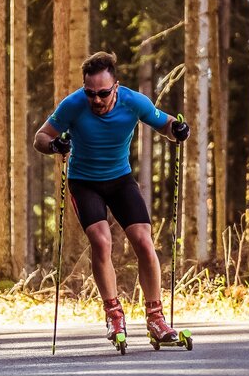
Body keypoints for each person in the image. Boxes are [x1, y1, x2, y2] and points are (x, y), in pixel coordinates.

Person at [33, 51, 190, 344]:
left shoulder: (134, 102)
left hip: (120, 180)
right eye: (90, 93)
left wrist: (178, 129)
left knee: (144, 241)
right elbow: (40, 137)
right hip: (84, 182)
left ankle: (156, 319)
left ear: (116, 87)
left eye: (103, 93)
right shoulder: (73, 105)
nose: (96, 100)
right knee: (102, 241)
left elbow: (166, 124)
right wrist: (55, 146)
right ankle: (114, 315)